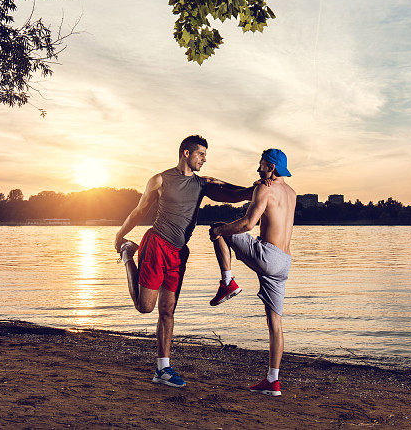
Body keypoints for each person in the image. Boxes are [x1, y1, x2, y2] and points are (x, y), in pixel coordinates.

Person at [115, 135, 254, 388]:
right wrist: (119, 234)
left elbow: (233, 195)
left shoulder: (202, 184)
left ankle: (163, 369)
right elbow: (139, 210)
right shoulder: (160, 180)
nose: (205, 159)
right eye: (201, 154)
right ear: (186, 153)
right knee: (146, 308)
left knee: (167, 311)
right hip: (157, 244)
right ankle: (127, 255)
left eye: (206, 155)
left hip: (179, 253)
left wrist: (256, 189)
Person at [209, 148, 296, 396]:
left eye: (261, 165)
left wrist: (223, 228)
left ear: (271, 167)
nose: (258, 169)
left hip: (267, 255)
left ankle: (228, 282)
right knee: (275, 322)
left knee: (218, 229)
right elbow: (268, 204)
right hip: (284, 262)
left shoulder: (264, 188)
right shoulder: (291, 193)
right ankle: (272, 381)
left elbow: (249, 224)